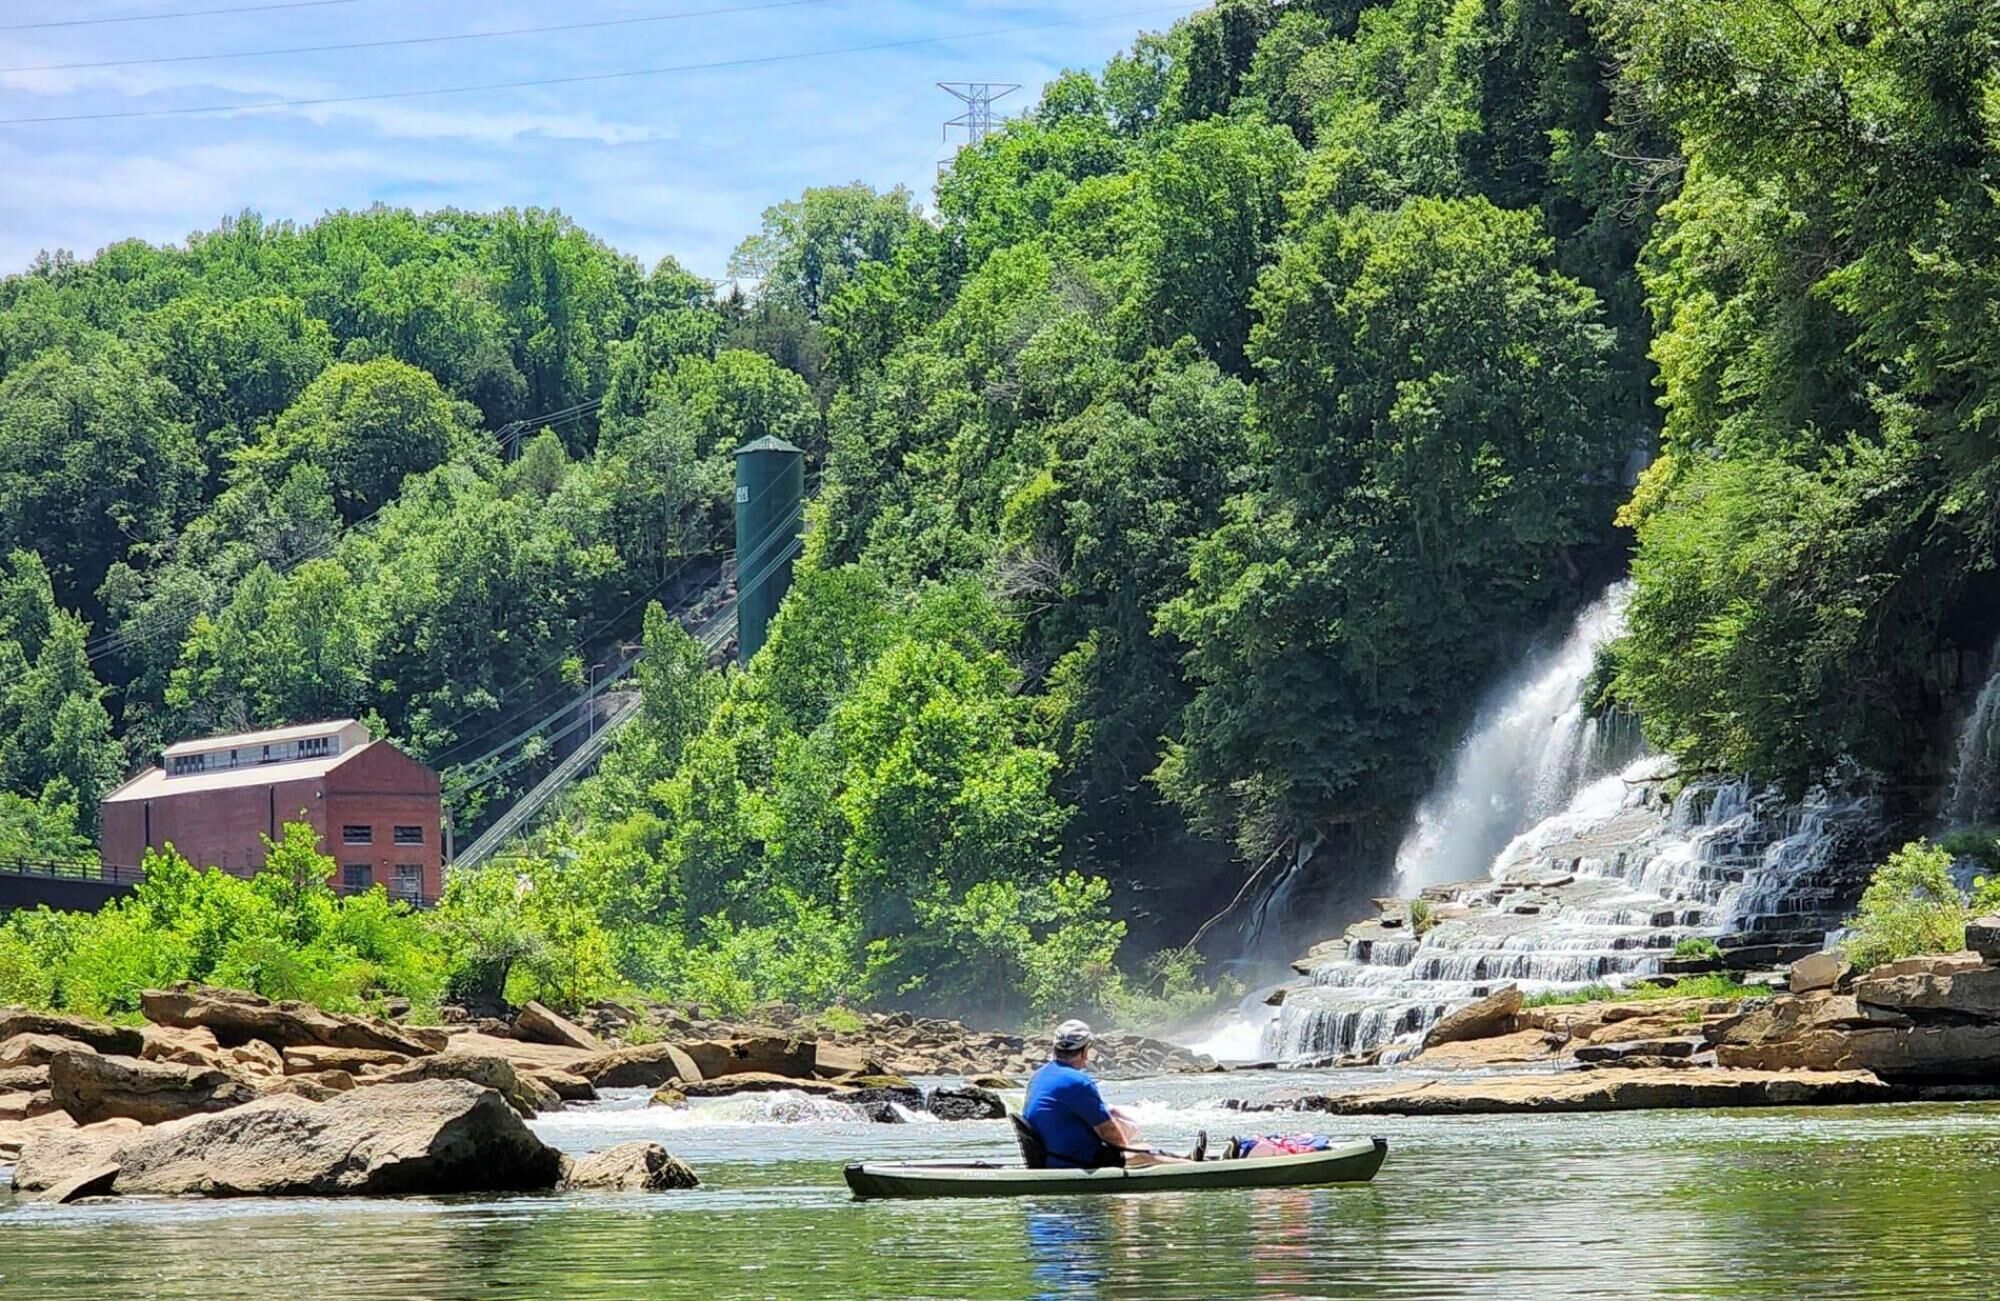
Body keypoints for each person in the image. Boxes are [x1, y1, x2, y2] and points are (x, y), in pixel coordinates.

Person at [1022, 1019, 1199, 1168]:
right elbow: (1115, 1140)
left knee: (1142, 1149)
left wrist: (1112, 1116)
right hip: (1072, 1161)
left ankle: (1187, 1160)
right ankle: (1195, 1169)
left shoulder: (1038, 1076)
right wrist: (1128, 1130)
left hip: (1052, 1156)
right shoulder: (1078, 1081)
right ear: (1084, 1050)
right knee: (1144, 1153)